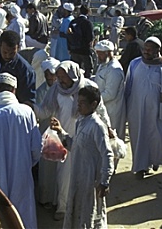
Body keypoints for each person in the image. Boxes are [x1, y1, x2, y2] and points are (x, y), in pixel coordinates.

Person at [34, 61, 110, 221]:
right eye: (58, 77)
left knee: (87, 177)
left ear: (73, 75)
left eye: (63, 77)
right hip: (65, 139)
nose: (60, 80)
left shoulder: (87, 87)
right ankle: (63, 207)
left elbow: (101, 110)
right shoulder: (56, 89)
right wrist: (29, 106)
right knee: (64, 176)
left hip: (86, 138)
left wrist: (108, 128)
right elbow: (45, 110)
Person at [0, 73, 42, 229]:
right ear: (14, 90)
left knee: (0, 217)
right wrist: (27, 164)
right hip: (22, 174)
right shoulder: (26, 113)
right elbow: (36, 148)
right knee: (23, 216)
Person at [50, 86, 114, 229]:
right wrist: (61, 132)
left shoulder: (97, 126)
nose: (78, 106)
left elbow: (107, 154)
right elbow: (75, 146)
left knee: (90, 214)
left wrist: (104, 181)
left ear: (94, 104)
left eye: (82, 103)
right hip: (78, 177)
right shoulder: (80, 121)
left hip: (91, 180)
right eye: (78, 102)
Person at [124, 36, 162, 178]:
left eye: (150, 50)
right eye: (145, 49)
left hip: (158, 111)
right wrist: (124, 108)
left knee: (160, 138)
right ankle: (140, 167)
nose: (146, 52)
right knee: (139, 139)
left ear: (158, 50)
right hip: (136, 110)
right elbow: (128, 87)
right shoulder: (135, 64)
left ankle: (154, 161)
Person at [94, 40, 126, 167]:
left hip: (112, 110)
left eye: (100, 54)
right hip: (102, 108)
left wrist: (93, 98)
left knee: (111, 140)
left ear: (108, 53)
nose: (98, 57)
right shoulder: (103, 65)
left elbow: (110, 94)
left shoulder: (114, 70)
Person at [36, 57, 60, 207]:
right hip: (45, 133)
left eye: (53, 74)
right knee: (46, 169)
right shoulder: (40, 91)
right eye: (47, 74)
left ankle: (58, 201)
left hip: (59, 133)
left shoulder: (63, 89)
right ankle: (45, 199)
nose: (50, 77)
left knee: (59, 170)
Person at [67, 5, 95, 78]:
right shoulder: (87, 23)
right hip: (85, 50)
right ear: (88, 12)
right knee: (88, 69)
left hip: (74, 50)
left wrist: (69, 48)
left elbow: (68, 35)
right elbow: (90, 37)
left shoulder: (73, 22)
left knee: (74, 70)